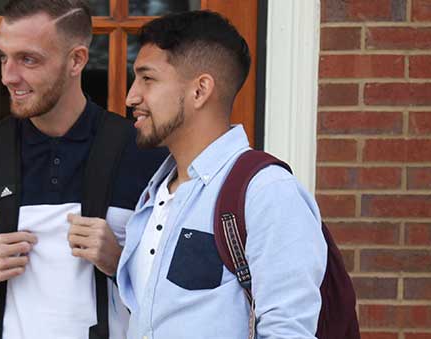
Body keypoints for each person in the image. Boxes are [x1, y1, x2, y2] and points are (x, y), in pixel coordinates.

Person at [0, 0, 167, 338]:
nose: (7, 77)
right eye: (3, 57)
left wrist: (120, 260)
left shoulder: (144, 154)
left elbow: (187, 288)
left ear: (76, 60)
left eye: (27, 59)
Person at [115, 10, 327, 338]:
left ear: (200, 91)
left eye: (148, 78)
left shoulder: (267, 191)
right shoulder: (155, 194)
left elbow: (288, 331)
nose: (131, 97)